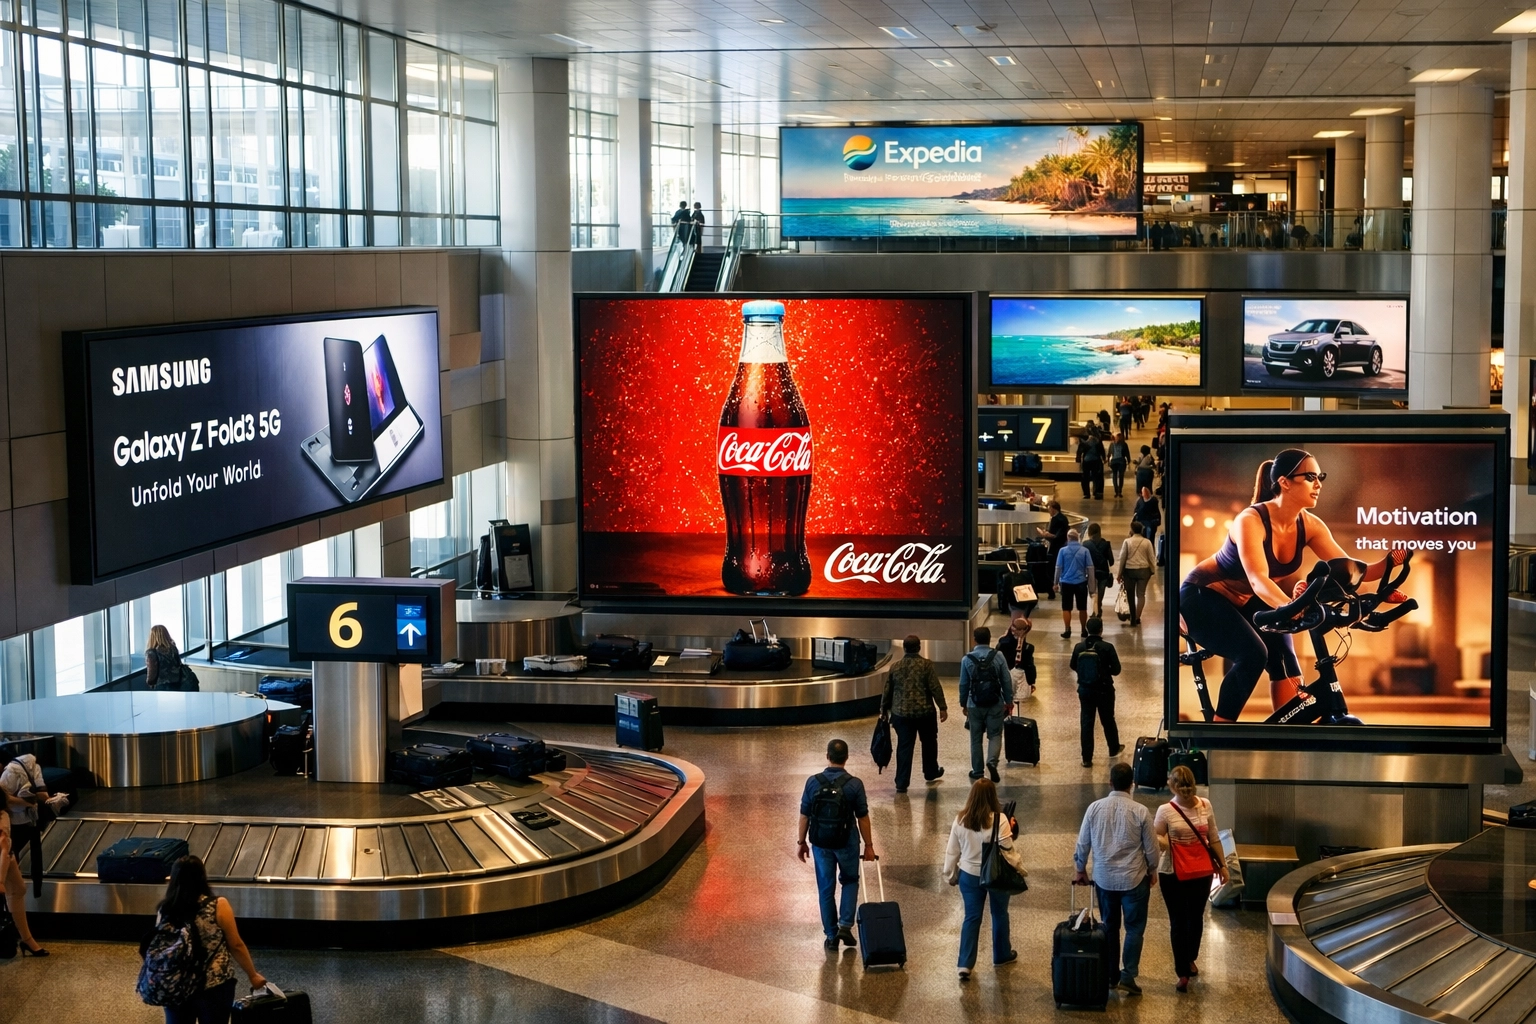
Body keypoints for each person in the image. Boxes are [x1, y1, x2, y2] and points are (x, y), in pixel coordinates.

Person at [1179, 448, 1404, 722]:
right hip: (1202, 596)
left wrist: (1387, 572)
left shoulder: (1310, 525)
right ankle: (1219, 735)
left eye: (1320, 477)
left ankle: (1286, 730)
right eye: (1310, 477)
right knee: (1254, 654)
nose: (1318, 484)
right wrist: (1291, 606)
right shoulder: (1251, 520)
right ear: (1284, 482)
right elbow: (1258, 579)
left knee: (1285, 658)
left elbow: (1351, 569)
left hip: (1247, 601)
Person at [1074, 762, 1158, 997]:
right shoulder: (1141, 811)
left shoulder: (1094, 808)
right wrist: (1152, 870)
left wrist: (1080, 869)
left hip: (1104, 879)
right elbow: (1152, 850)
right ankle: (1128, 976)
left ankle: (1111, 976)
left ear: (1110, 782)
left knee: (1109, 927)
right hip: (1135, 879)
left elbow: (1083, 843)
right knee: (1134, 928)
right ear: (1132, 784)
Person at [156, 855, 266, 1023]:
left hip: (176, 984)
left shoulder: (165, 909)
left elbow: (160, 946)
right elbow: (235, 944)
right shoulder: (217, 905)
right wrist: (253, 975)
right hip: (214, 985)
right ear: (202, 877)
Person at [797, 739, 877, 950]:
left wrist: (801, 842)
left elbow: (804, 815)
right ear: (847, 757)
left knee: (826, 888)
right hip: (847, 842)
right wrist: (869, 845)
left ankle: (831, 936)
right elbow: (862, 817)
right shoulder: (854, 784)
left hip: (821, 843)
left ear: (828, 756)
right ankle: (845, 925)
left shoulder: (813, 782)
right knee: (850, 880)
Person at [1155, 765, 1228, 992]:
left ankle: (1184, 969)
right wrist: (1223, 866)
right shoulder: (1199, 806)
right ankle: (1188, 963)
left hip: (1178, 873)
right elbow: (1214, 838)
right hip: (1193, 873)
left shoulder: (1168, 809)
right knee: (1193, 918)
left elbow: (1157, 836)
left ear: (1171, 785)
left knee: (1182, 921)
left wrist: (1166, 842)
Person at [943, 778, 1018, 980]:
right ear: (993, 796)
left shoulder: (960, 819)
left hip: (969, 875)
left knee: (972, 917)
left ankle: (965, 964)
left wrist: (951, 874)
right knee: (999, 914)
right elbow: (1007, 850)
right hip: (996, 875)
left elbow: (952, 851)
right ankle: (1001, 955)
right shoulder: (1001, 819)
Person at [878, 636, 948, 794]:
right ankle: (930, 772)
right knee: (929, 743)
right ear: (919, 647)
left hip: (901, 714)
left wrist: (883, 710)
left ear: (904, 648)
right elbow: (935, 687)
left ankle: (901, 782)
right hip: (925, 713)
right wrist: (942, 707)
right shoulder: (926, 665)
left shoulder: (895, 667)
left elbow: (887, 690)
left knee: (904, 746)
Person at [1, 753, 66, 898]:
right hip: (32, 819)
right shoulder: (34, 766)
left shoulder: (9, 772)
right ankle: (37, 890)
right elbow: (42, 793)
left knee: (11, 854)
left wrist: (27, 802)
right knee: (35, 853)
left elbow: (4, 799)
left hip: (16, 821)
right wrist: (42, 801)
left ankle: (10, 887)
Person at [959, 627, 1014, 783]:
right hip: (995, 702)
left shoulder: (967, 659)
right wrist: (1008, 701)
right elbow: (1006, 680)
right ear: (990, 639)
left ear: (974, 640)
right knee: (995, 734)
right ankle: (992, 761)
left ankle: (977, 771)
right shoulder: (998, 656)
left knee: (975, 738)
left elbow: (963, 684)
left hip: (974, 704)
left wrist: (964, 703)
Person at [1070, 616, 1122, 766]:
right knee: (1108, 719)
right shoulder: (1107, 647)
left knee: (1087, 723)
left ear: (1087, 629)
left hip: (1085, 690)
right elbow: (1116, 670)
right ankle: (1113, 748)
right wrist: (1105, 670)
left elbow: (1073, 665)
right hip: (1104, 690)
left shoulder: (1079, 647)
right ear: (1101, 629)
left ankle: (1087, 758)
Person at [0, 784, 45, 955]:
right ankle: (27, 940)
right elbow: (3, 848)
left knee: (18, 889)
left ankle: (27, 940)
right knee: (17, 890)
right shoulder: (3, 816)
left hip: (7, 856)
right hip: (4, 857)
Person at [1055, 527, 1096, 639]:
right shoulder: (1085, 551)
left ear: (1068, 538)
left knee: (1066, 608)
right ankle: (1083, 629)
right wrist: (1092, 587)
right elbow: (1090, 568)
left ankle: (1067, 629)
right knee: (1082, 608)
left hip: (1066, 582)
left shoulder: (1062, 551)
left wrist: (1055, 583)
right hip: (1081, 582)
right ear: (1078, 538)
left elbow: (1058, 568)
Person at [1118, 521, 1157, 627]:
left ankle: (1132, 617)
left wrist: (1119, 573)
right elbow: (1151, 557)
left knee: (1130, 595)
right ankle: (1137, 617)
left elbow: (1122, 558)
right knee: (1141, 595)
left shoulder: (1127, 542)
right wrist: (1152, 570)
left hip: (1129, 571)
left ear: (1132, 530)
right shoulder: (1147, 542)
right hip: (1144, 571)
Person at [995, 616, 1036, 699]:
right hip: (1021, 676)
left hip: (1004, 676)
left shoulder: (1002, 643)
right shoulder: (1028, 648)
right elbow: (1029, 666)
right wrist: (1031, 681)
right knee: (1020, 700)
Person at [1083, 523, 1114, 618]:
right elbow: (1111, 561)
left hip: (1090, 573)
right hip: (1103, 573)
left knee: (1092, 594)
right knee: (1100, 594)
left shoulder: (1085, 545)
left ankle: (1093, 611)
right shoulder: (1106, 544)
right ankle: (1098, 610)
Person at [145, 624, 185, 690]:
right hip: (177, 683)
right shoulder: (173, 649)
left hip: (161, 685)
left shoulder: (151, 653)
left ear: (152, 637)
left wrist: (149, 682)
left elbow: (152, 673)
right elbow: (178, 664)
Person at [1036, 500, 1069, 567]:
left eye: (1049, 509)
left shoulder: (1061, 519)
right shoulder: (1056, 518)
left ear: (1053, 509)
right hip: (1053, 543)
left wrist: (1046, 534)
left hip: (1057, 545)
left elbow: (1058, 535)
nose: (1048, 511)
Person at [1076, 429, 1105, 499]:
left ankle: (1086, 494)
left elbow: (1079, 451)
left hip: (1086, 461)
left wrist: (1078, 459)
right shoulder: (1098, 441)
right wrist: (1104, 458)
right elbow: (1102, 450)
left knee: (1085, 478)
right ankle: (1097, 493)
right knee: (1097, 477)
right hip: (1096, 461)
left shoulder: (1084, 442)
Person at [1108, 432, 1131, 498]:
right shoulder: (1124, 444)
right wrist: (1128, 461)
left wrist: (1108, 461)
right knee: (1120, 476)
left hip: (1115, 461)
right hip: (1121, 461)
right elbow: (1127, 453)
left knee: (1115, 476)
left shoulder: (1112, 444)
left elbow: (1109, 453)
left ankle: (1117, 491)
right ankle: (1119, 491)